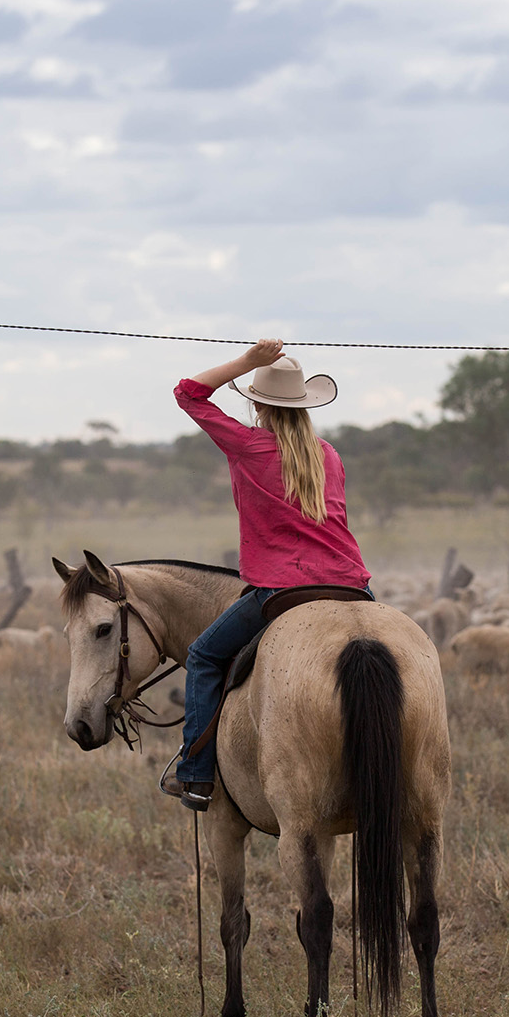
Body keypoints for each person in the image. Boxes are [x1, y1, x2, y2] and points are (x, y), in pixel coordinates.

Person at [161, 338, 373, 807]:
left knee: (203, 657)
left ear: (258, 405)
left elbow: (188, 393)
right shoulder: (330, 455)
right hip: (351, 585)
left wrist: (246, 362)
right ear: (304, 404)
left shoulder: (248, 446)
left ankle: (196, 775)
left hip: (282, 587)